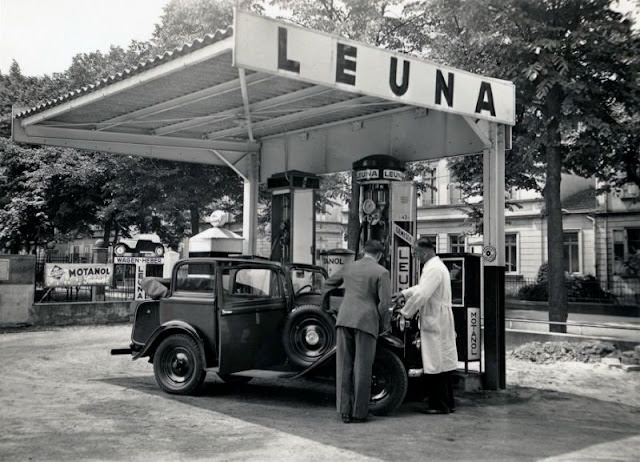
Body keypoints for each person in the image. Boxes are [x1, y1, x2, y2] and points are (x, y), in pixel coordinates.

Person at [324, 239, 391, 423]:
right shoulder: (382, 272)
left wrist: (328, 308)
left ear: (363, 251)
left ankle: (344, 411)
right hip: (366, 321)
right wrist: (384, 324)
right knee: (362, 368)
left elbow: (328, 284)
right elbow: (385, 304)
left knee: (344, 365)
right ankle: (359, 413)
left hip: (344, 318)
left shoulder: (349, 267)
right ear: (379, 255)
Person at [394, 237, 458, 414]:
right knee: (442, 363)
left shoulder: (433, 268)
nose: (415, 257)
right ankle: (447, 403)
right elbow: (421, 288)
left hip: (435, 319)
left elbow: (422, 294)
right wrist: (404, 293)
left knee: (435, 363)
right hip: (438, 318)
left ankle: (439, 405)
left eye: (416, 253)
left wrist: (405, 312)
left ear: (425, 251)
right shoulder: (435, 266)